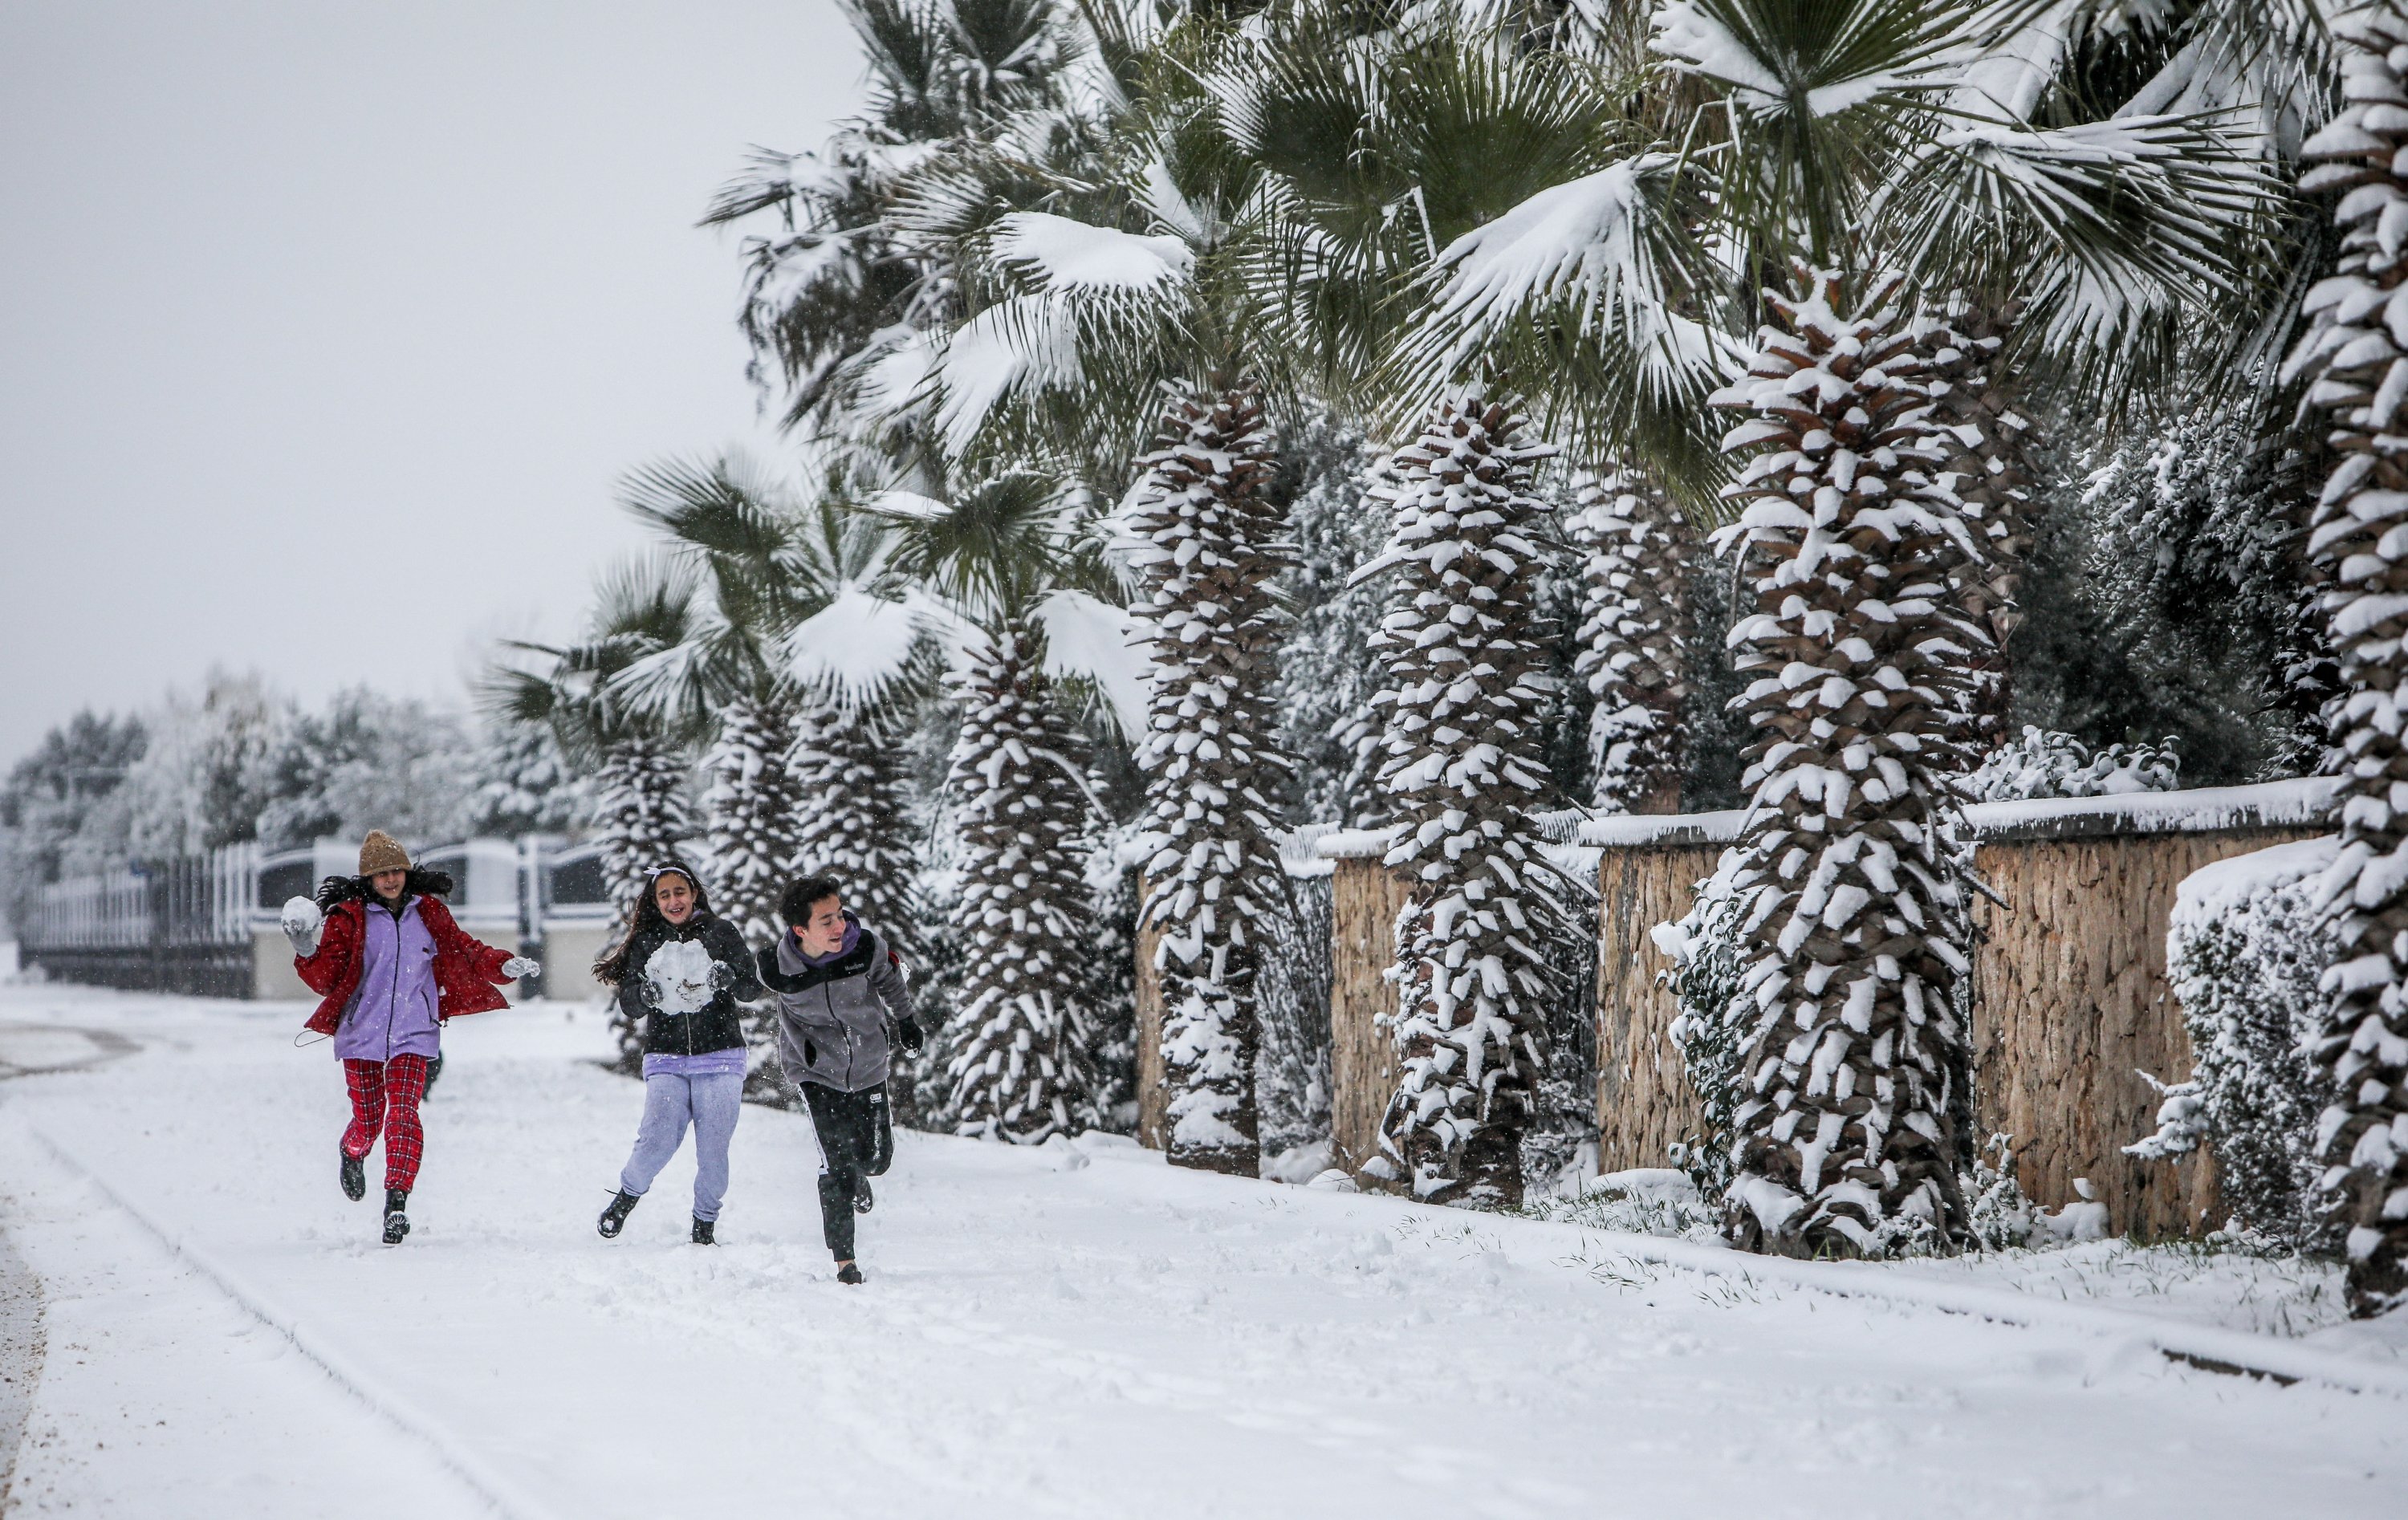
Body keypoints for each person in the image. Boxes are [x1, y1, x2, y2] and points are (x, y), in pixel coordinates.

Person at [283, 831, 537, 1245]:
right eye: (380, 873)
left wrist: (503, 967)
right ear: (368, 878)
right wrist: (304, 949)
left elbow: (465, 949)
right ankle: (352, 1150)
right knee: (370, 1121)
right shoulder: (348, 918)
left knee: (404, 1113)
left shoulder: (429, 912)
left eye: (395, 870)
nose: (390, 880)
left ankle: (396, 1204)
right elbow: (326, 978)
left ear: (406, 871)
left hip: (415, 1028)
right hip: (362, 1030)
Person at [755, 874, 922, 1285]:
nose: (839, 926)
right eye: (826, 920)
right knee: (836, 1165)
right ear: (801, 930)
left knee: (876, 1160)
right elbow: (740, 981)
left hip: (868, 1065)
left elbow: (890, 979)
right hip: (815, 1072)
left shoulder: (865, 947)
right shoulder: (777, 968)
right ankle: (845, 1261)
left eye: (839, 915)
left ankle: (859, 1173)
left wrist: (907, 1021)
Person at [592, 864, 763, 1245]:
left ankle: (704, 1223)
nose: (674, 901)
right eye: (664, 895)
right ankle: (626, 1197)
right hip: (667, 1056)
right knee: (657, 1137)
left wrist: (728, 976)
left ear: (695, 893)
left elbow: (753, 987)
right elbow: (629, 1003)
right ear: (655, 902)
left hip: (720, 1055)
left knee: (714, 1147)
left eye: (680, 892)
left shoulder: (721, 933)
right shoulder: (647, 940)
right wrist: (644, 995)